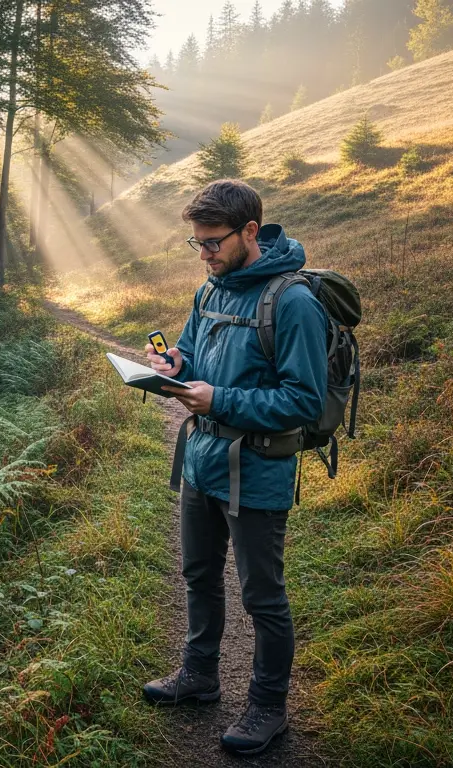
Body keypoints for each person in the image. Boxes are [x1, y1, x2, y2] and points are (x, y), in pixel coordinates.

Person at [140, 179, 328, 757]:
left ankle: (269, 708)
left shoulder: (292, 302)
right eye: (196, 244)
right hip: (201, 461)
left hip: (259, 471)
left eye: (213, 242)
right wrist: (174, 361)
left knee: (262, 597)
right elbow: (195, 350)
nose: (204, 254)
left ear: (251, 232)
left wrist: (218, 399)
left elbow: (305, 401)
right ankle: (199, 677)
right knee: (198, 575)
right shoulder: (210, 289)